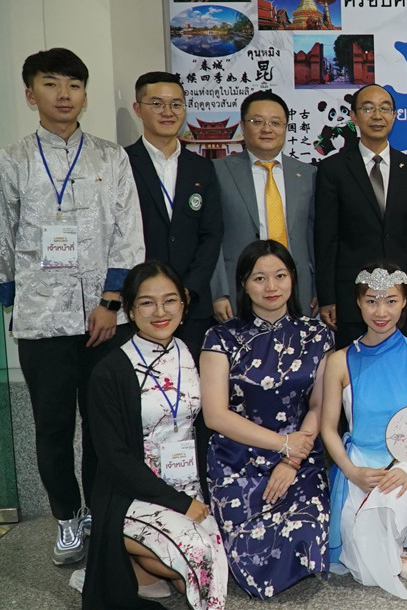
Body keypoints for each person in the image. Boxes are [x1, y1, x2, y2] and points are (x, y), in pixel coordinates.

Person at [0, 47, 145, 565]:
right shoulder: (11, 160)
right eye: (51, 84)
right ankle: (66, 518)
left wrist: (110, 302)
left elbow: (129, 234)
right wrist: (15, 301)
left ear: (85, 94)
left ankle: (101, 511)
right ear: (30, 93)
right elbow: (0, 239)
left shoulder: (111, 157)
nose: (64, 95)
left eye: (74, 85)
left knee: (105, 425)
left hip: (106, 319)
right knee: (53, 426)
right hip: (41, 320)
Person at [83, 261, 227, 609]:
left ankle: (142, 569)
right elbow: (114, 459)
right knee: (200, 554)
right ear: (130, 310)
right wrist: (181, 504)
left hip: (190, 485)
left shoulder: (194, 353)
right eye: (147, 303)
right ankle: (131, 561)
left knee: (219, 553)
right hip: (133, 493)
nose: (161, 312)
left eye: (170, 300)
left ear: (184, 305)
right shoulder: (110, 371)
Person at [200, 240, 333, 598]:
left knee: (305, 533)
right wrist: (282, 444)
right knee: (252, 550)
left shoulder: (317, 334)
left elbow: (319, 406)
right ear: (243, 283)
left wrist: (291, 459)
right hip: (236, 457)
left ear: (293, 279)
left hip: (299, 456)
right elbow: (214, 415)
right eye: (259, 278)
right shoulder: (221, 337)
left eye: (280, 276)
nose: (271, 287)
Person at [321, 262, 407, 599]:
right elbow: (328, 428)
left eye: (391, 300)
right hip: (359, 463)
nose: (381, 311)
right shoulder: (340, 360)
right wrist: (352, 472)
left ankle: (392, 547)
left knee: (381, 520)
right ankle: (394, 552)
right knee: (363, 561)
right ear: (358, 303)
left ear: (405, 303)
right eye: (371, 301)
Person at [315, 84, 407, 347]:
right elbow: (326, 238)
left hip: (401, 294)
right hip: (352, 296)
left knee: (402, 363)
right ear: (354, 116)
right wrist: (327, 297)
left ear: (394, 115)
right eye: (368, 108)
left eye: (384, 108)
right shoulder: (333, 169)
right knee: (354, 367)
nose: (377, 115)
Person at [126, 72, 223, 357]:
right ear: (138, 109)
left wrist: (187, 290)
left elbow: (211, 233)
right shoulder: (122, 163)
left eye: (176, 104)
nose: (168, 112)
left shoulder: (201, 167)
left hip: (192, 306)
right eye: (157, 104)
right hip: (141, 305)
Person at [211, 90, 316, 322]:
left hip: (298, 289)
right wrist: (219, 291)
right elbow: (210, 236)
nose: (267, 129)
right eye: (257, 122)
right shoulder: (217, 172)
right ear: (242, 126)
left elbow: (315, 236)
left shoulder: (308, 174)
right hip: (237, 287)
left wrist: (319, 288)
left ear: (286, 127)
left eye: (275, 123)